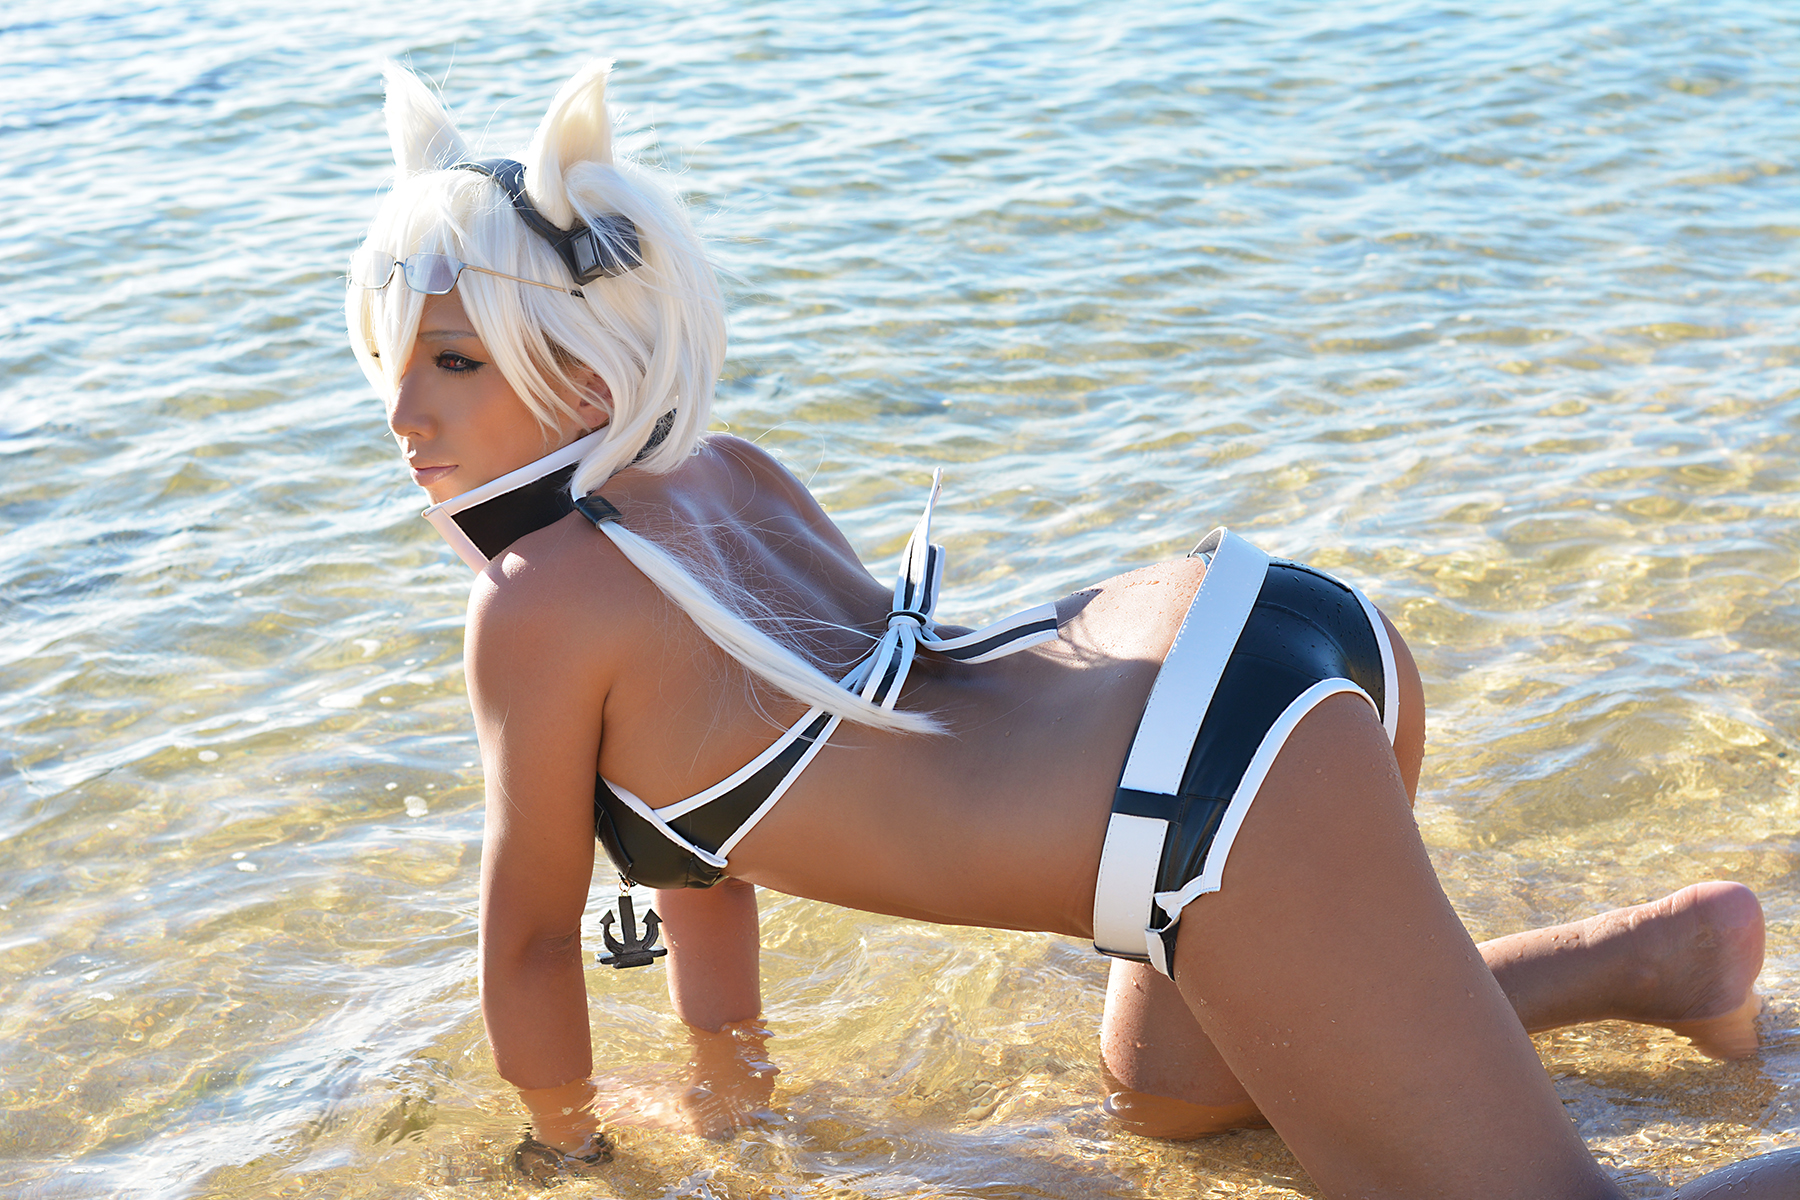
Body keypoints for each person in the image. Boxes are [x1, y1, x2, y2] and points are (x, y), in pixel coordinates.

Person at [346, 60, 1796, 1199]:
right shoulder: (724, 475)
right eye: (394, 357)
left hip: (1210, 771)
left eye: (456, 362)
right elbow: (702, 853)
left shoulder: (535, 604)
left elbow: (529, 942)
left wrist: (563, 1154)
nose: (405, 411)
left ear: (586, 374)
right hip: (1260, 640)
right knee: (1171, 1099)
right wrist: (730, 1082)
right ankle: (1655, 960)